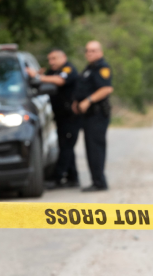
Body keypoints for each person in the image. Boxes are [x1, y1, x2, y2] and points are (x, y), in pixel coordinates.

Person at [26, 49, 82, 189]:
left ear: (63, 57)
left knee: (66, 147)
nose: (51, 62)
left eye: (54, 58)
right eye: (49, 59)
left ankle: (57, 178)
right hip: (60, 116)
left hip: (71, 117)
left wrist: (38, 77)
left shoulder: (68, 68)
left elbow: (60, 80)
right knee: (67, 146)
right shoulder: (53, 71)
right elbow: (44, 79)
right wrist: (38, 75)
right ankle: (72, 177)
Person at [72, 41, 113, 192]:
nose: (90, 53)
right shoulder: (90, 68)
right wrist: (77, 102)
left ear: (100, 52)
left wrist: (88, 101)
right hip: (88, 115)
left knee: (96, 148)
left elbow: (107, 88)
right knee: (90, 148)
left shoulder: (103, 68)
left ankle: (100, 182)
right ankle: (96, 180)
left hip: (97, 114)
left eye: (93, 50)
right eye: (88, 50)